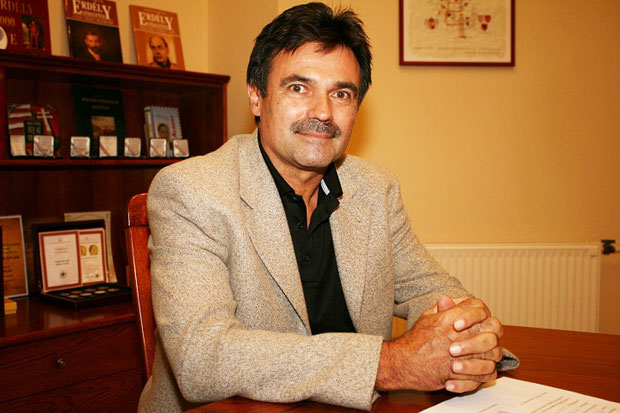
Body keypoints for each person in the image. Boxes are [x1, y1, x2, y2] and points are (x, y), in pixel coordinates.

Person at [140, 3, 513, 412]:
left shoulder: (376, 188)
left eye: (341, 94)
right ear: (257, 97)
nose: (322, 112)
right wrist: (390, 364)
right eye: (298, 88)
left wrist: (464, 335)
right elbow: (202, 357)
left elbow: (430, 289)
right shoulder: (192, 191)